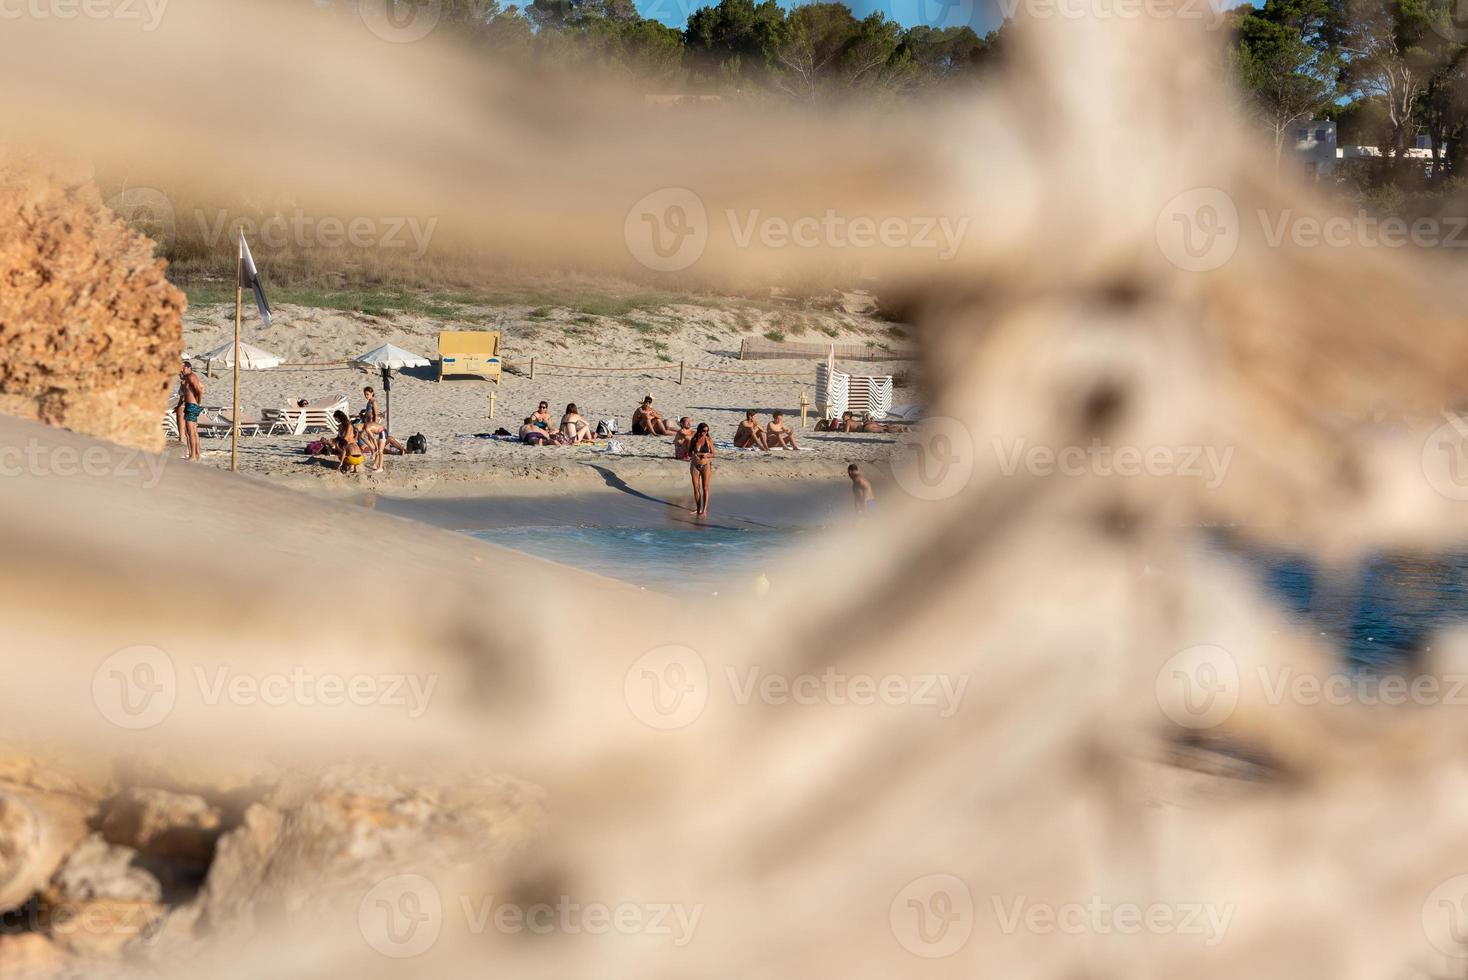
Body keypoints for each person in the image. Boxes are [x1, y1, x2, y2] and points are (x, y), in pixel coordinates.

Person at [178, 360, 204, 461]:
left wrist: (198, 402)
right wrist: (178, 407)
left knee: (191, 432)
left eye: (183, 368)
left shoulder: (192, 377)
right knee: (191, 432)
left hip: (192, 406)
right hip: (190, 405)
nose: (182, 370)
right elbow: (183, 397)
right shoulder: (187, 379)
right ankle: (195, 454)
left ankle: (193, 455)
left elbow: (200, 390)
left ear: (189, 368)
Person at [689, 422, 714, 517]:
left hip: (705, 465)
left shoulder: (708, 440)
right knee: (696, 488)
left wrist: (706, 455)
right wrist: (694, 455)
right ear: (699, 430)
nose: (705, 432)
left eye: (707, 431)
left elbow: (713, 453)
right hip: (695, 465)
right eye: (704, 430)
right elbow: (689, 453)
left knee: (705, 487)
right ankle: (698, 508)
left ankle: (704, 509)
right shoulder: (694, 439)